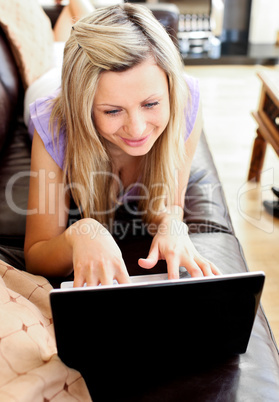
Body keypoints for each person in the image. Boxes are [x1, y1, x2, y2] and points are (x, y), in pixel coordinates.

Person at [24, 3, 221, 287]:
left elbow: (171, 204)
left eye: (151, 104)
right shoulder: (53, 124)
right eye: (112, 111)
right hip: (48, 83)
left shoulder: (186, 98)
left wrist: (172, 223)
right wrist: (80, 231)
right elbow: (35, 255)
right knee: (55, 53)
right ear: (86, 110)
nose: (138, 129)